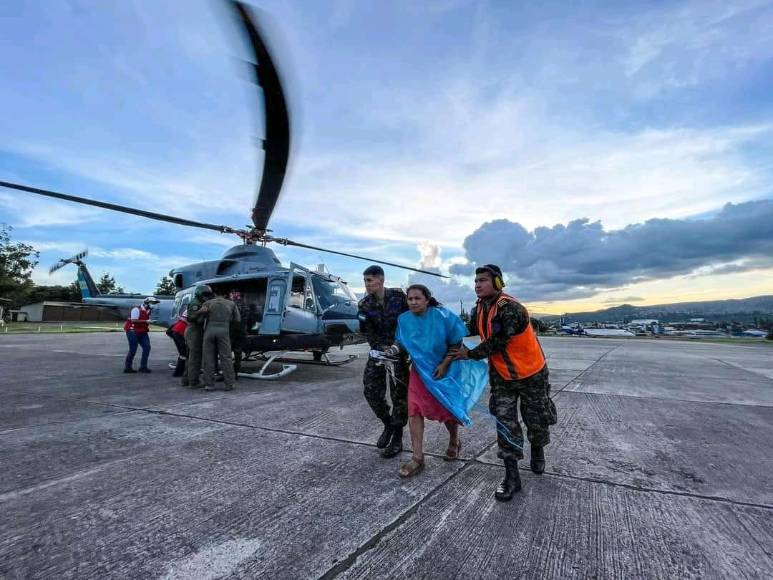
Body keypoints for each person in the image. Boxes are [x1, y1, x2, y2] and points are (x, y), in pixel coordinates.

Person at [452, 264, 557, 502]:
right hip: (502, 376)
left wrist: (469, 354)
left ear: (498, 283)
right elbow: (469, 330)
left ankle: (537, 448)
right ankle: (512, 477)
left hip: (532, 374)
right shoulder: (479, 308)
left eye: (483, 280)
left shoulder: (511, 308)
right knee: (505, 423)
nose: (477, 285)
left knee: (536, 419)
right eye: (476, 281)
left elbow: (498, 342)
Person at [386, 285, 488, 478]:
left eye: (417, 298)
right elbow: (401, 342)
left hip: (446, 370)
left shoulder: (443, 316)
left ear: (427, 299)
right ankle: (417, 458)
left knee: (447, 410)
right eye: (410, 299)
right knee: (414, 410)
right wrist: (391, 351)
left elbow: (457, 341)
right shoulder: (404, 319)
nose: (413, 302)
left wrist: (445, 364)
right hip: (420, 371)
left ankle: (454, 441)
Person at [358, 265, 409, 458]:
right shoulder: (364, 305)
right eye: (365, 281)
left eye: (369, 280)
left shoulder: (399, 297)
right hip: (378, 352)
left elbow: (410, 321)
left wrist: (397, 346)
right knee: (371, 390)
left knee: (399, 397)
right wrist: (379, 347)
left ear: (381, 280)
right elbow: (366, 331)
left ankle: (397, 437)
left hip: (398, 352)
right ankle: (387, 424)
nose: (367, 284)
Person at [201, 289, 241, 391]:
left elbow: (200, 319)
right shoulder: (231, 304)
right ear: (226, 295)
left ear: (214, 294)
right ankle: (229, 384)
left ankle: (209, 384)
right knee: (226, 358)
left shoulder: (207, 303)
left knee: (208, 358)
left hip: (209, 331)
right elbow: (237, 319)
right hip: (224, 331)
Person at [184, 285, 213, 388]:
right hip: (194, 330)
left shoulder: (198, 302)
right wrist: (201, 312)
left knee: (190, 357)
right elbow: (191, 318)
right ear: (199, 294)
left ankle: (186, 380)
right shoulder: (196, 304)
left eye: (208, 295)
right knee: (195, 357)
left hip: (194, 330)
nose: (207, 297)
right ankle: (194, 382)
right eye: (205, 295)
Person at [123, 297, 160, 373]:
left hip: (142, 331)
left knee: (147, 347)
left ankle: (143, 367)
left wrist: (148, 321)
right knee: (133, 349)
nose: (154, 305)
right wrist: (146, 321)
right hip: (132, 331)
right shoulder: (136, 309)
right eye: (153, 303)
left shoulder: (148, 311)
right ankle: (127, 367)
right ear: (147, 303)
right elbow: (134, 320)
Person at [166, 309, 188, 378]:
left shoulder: (187, 310)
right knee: (183, 353)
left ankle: (180, 370)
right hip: (178, 333)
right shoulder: (192, 309)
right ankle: (178, 372)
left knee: (183, 352)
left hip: (175, 331)